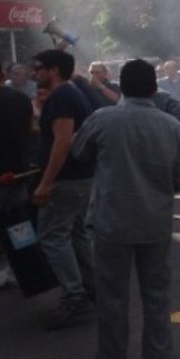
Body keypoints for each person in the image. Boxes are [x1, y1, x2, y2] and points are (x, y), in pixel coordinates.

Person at [72, 59, 180, 359]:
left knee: (112, 300)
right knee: (157, 299)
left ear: (121, 86)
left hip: (111, 223)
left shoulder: (102, 119)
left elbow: (79, 153)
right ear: (154, 88)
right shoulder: (172, 126)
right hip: (155, 224)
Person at [30, 49, 96, 329]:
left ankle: (74, 297)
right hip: (79, 178)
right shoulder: (68, 94)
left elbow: (63, 141)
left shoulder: (62, 96)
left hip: (66, 180)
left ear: (53, 70)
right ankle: (92, 287)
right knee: (77, 234)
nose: (34, 73)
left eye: (38, 68)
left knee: (53, 237)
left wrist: (46, 182)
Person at [0, 62, 34, 288]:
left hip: (7, 173)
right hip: (19, 171)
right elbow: (29, 132)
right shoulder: (21, 99)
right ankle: (27, 268)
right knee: (20, 222)